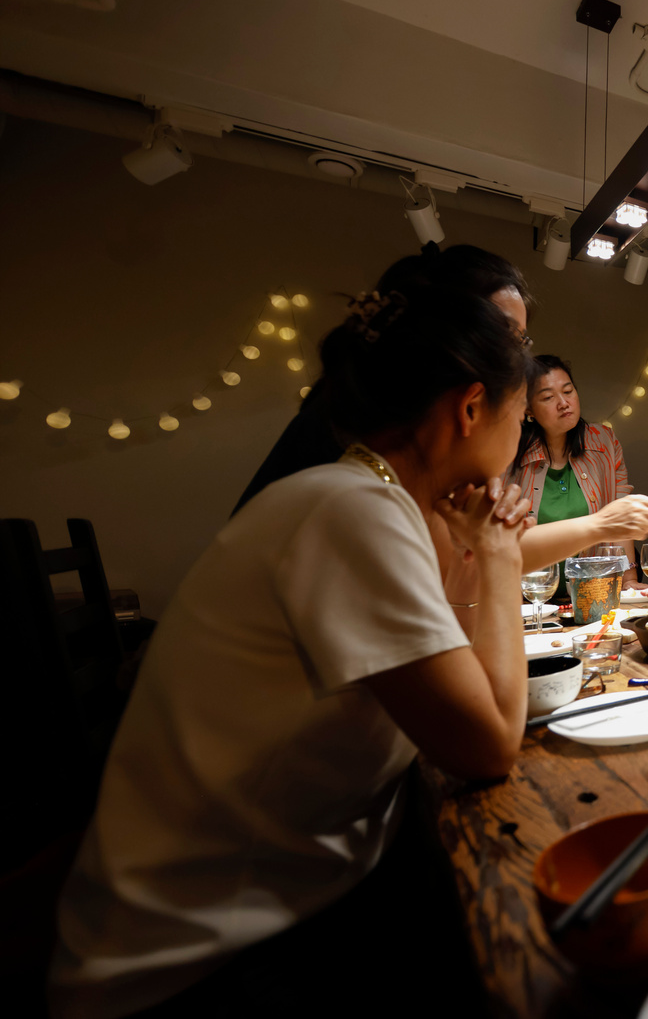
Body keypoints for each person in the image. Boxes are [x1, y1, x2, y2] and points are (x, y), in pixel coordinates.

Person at [53, 267, 536, 1017]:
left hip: (277, 902)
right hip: (193, 965)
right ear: (473, 407)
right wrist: (501, 552)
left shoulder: (364, 499)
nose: (521, 438)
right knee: (519, 955)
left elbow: (460, 676)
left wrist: (474, 545)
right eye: (520, 416)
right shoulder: (351, 514)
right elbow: (488, 742)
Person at [232, 244, 534, 515]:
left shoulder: (402, 459)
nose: (515, 359)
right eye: (509, 336)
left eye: (520, 340)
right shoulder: (359, 465)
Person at [510, 354, 648, 590]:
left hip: (594, 593)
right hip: (528, 596)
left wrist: (629, 581)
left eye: (568, 391)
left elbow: (620, 514)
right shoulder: (510, 452)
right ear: (529, 409)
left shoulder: (604, 442)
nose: (563, 403)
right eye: (548, 397)